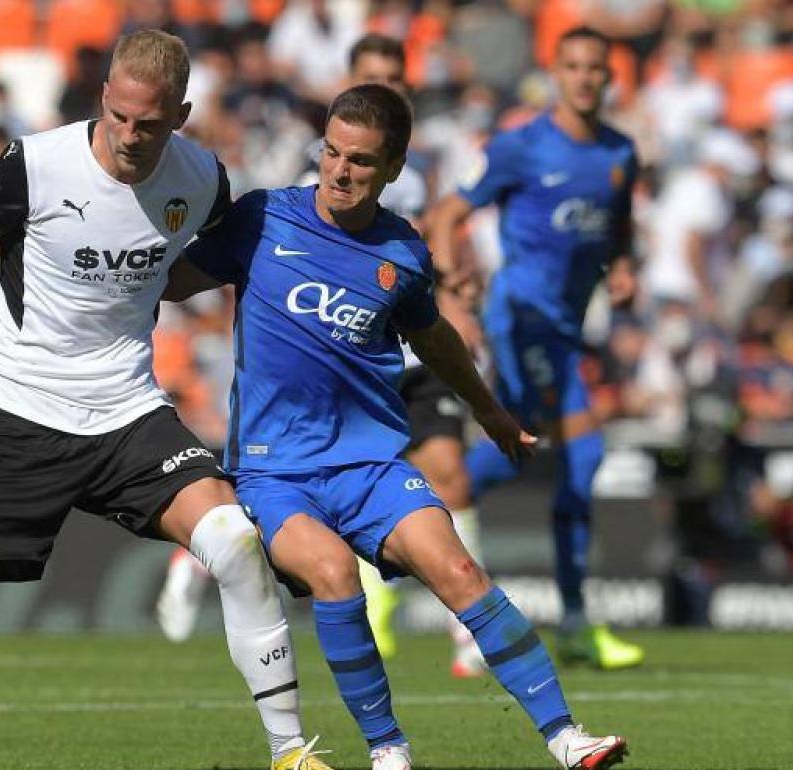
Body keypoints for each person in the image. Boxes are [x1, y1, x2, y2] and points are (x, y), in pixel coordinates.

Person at [0, 30, 335, 770]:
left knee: (236, 542)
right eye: (117, 115)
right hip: (22, 413)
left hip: (127, 411)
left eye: (147, 124)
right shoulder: (36, 164)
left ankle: (289, 753)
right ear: (104, 99)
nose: (127, 135)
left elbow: (194, 268)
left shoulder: (202, 179)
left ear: (179, 115)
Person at [164, 84, 628, 770]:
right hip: (275, 470)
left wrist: (489, 410)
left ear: (394, 169)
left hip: (370, 465)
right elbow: (168, 284)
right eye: (331, 152)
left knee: (460, 569)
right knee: (333, 574)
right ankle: (389, 753)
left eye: (359, 161)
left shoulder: (404, 254)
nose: (339, 171)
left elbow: (434, 338)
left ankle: (567, 738)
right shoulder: (264, 220)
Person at [155, 32, 487, 679]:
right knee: (314, 507)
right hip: (329, 373)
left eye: (395, 79)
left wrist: (459, 282)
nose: (385, 86)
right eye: (372, 76)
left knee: (449, 474)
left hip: (400, 356)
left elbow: (427, 258)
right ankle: (208, 545)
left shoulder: (413, 179)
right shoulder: (320, 184)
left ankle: (461, 631)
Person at [425, 26, 645, 670]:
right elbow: (445, 214)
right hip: (519, 320)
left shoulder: (620, 153)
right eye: (572, 66)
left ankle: (437, 499)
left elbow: (619, 226)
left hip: (567, 326)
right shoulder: (520, 147)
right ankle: (574, 621)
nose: (584, 78)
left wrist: (623, 267)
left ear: (609, 77)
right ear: (555, 72)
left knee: (523, 455)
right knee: (584, 452)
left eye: (594, 68)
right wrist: (453, 283)